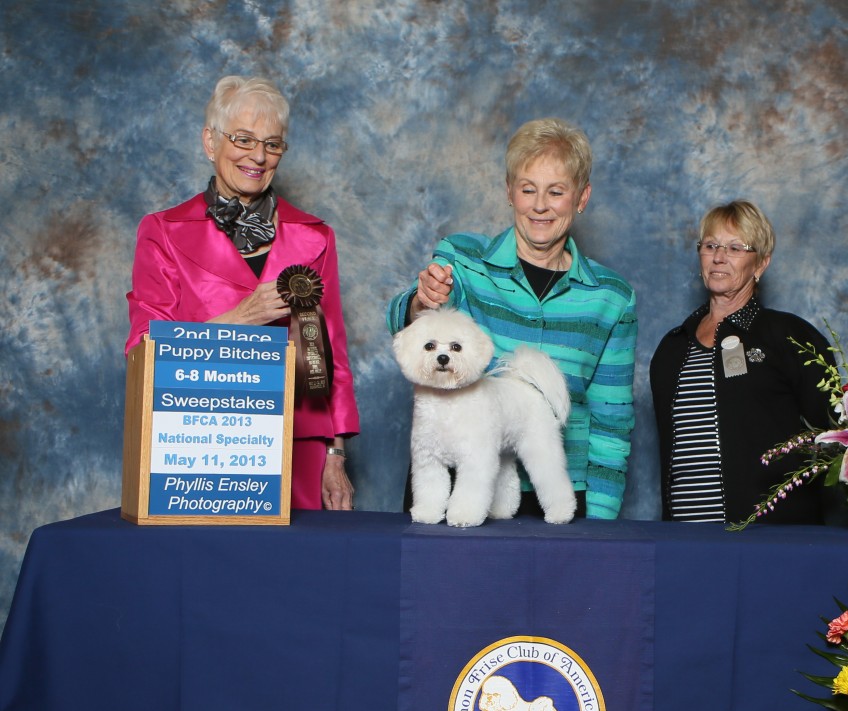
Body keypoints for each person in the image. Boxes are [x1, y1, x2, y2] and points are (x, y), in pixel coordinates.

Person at [125, 75, 359, 510]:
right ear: (210, 142)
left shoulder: (316, 235)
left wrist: (335, 454)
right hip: (201, 438)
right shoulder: (162, 232)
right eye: (244, 139)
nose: (258, 155)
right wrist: (239, 318)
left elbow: (332, 355)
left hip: (300, 441)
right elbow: (144, 349)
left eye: (273, 144)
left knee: (298, 574)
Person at [386, 118, 637, 519]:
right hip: (455, 489)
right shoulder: (463, 259)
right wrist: (421, 303)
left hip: (558, 495)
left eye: (556, 192)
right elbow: (407, 320)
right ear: (509, 191)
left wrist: (602, 524)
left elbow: (613, 418)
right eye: (527, 190)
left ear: (582, 197)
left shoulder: (611, 297)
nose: (540, 206)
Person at [649, 200, 834, 524]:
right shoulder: (672, 348)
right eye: (711, 245)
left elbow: (835, 437)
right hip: (683, 538)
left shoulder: (790, 337)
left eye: (735, 247)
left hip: (769, 538)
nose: (719, 257)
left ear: (760, 263)